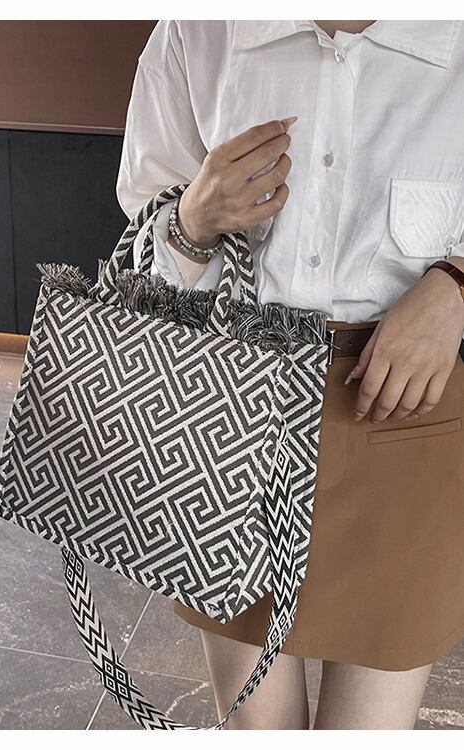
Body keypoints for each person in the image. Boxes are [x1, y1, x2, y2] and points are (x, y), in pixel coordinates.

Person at [116, 20, 464, 729]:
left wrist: (457, 284)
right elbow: (146, 239)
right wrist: (193, 218)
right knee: (256, 731)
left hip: (405, 415)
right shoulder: (198, 28)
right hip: (230, 416)